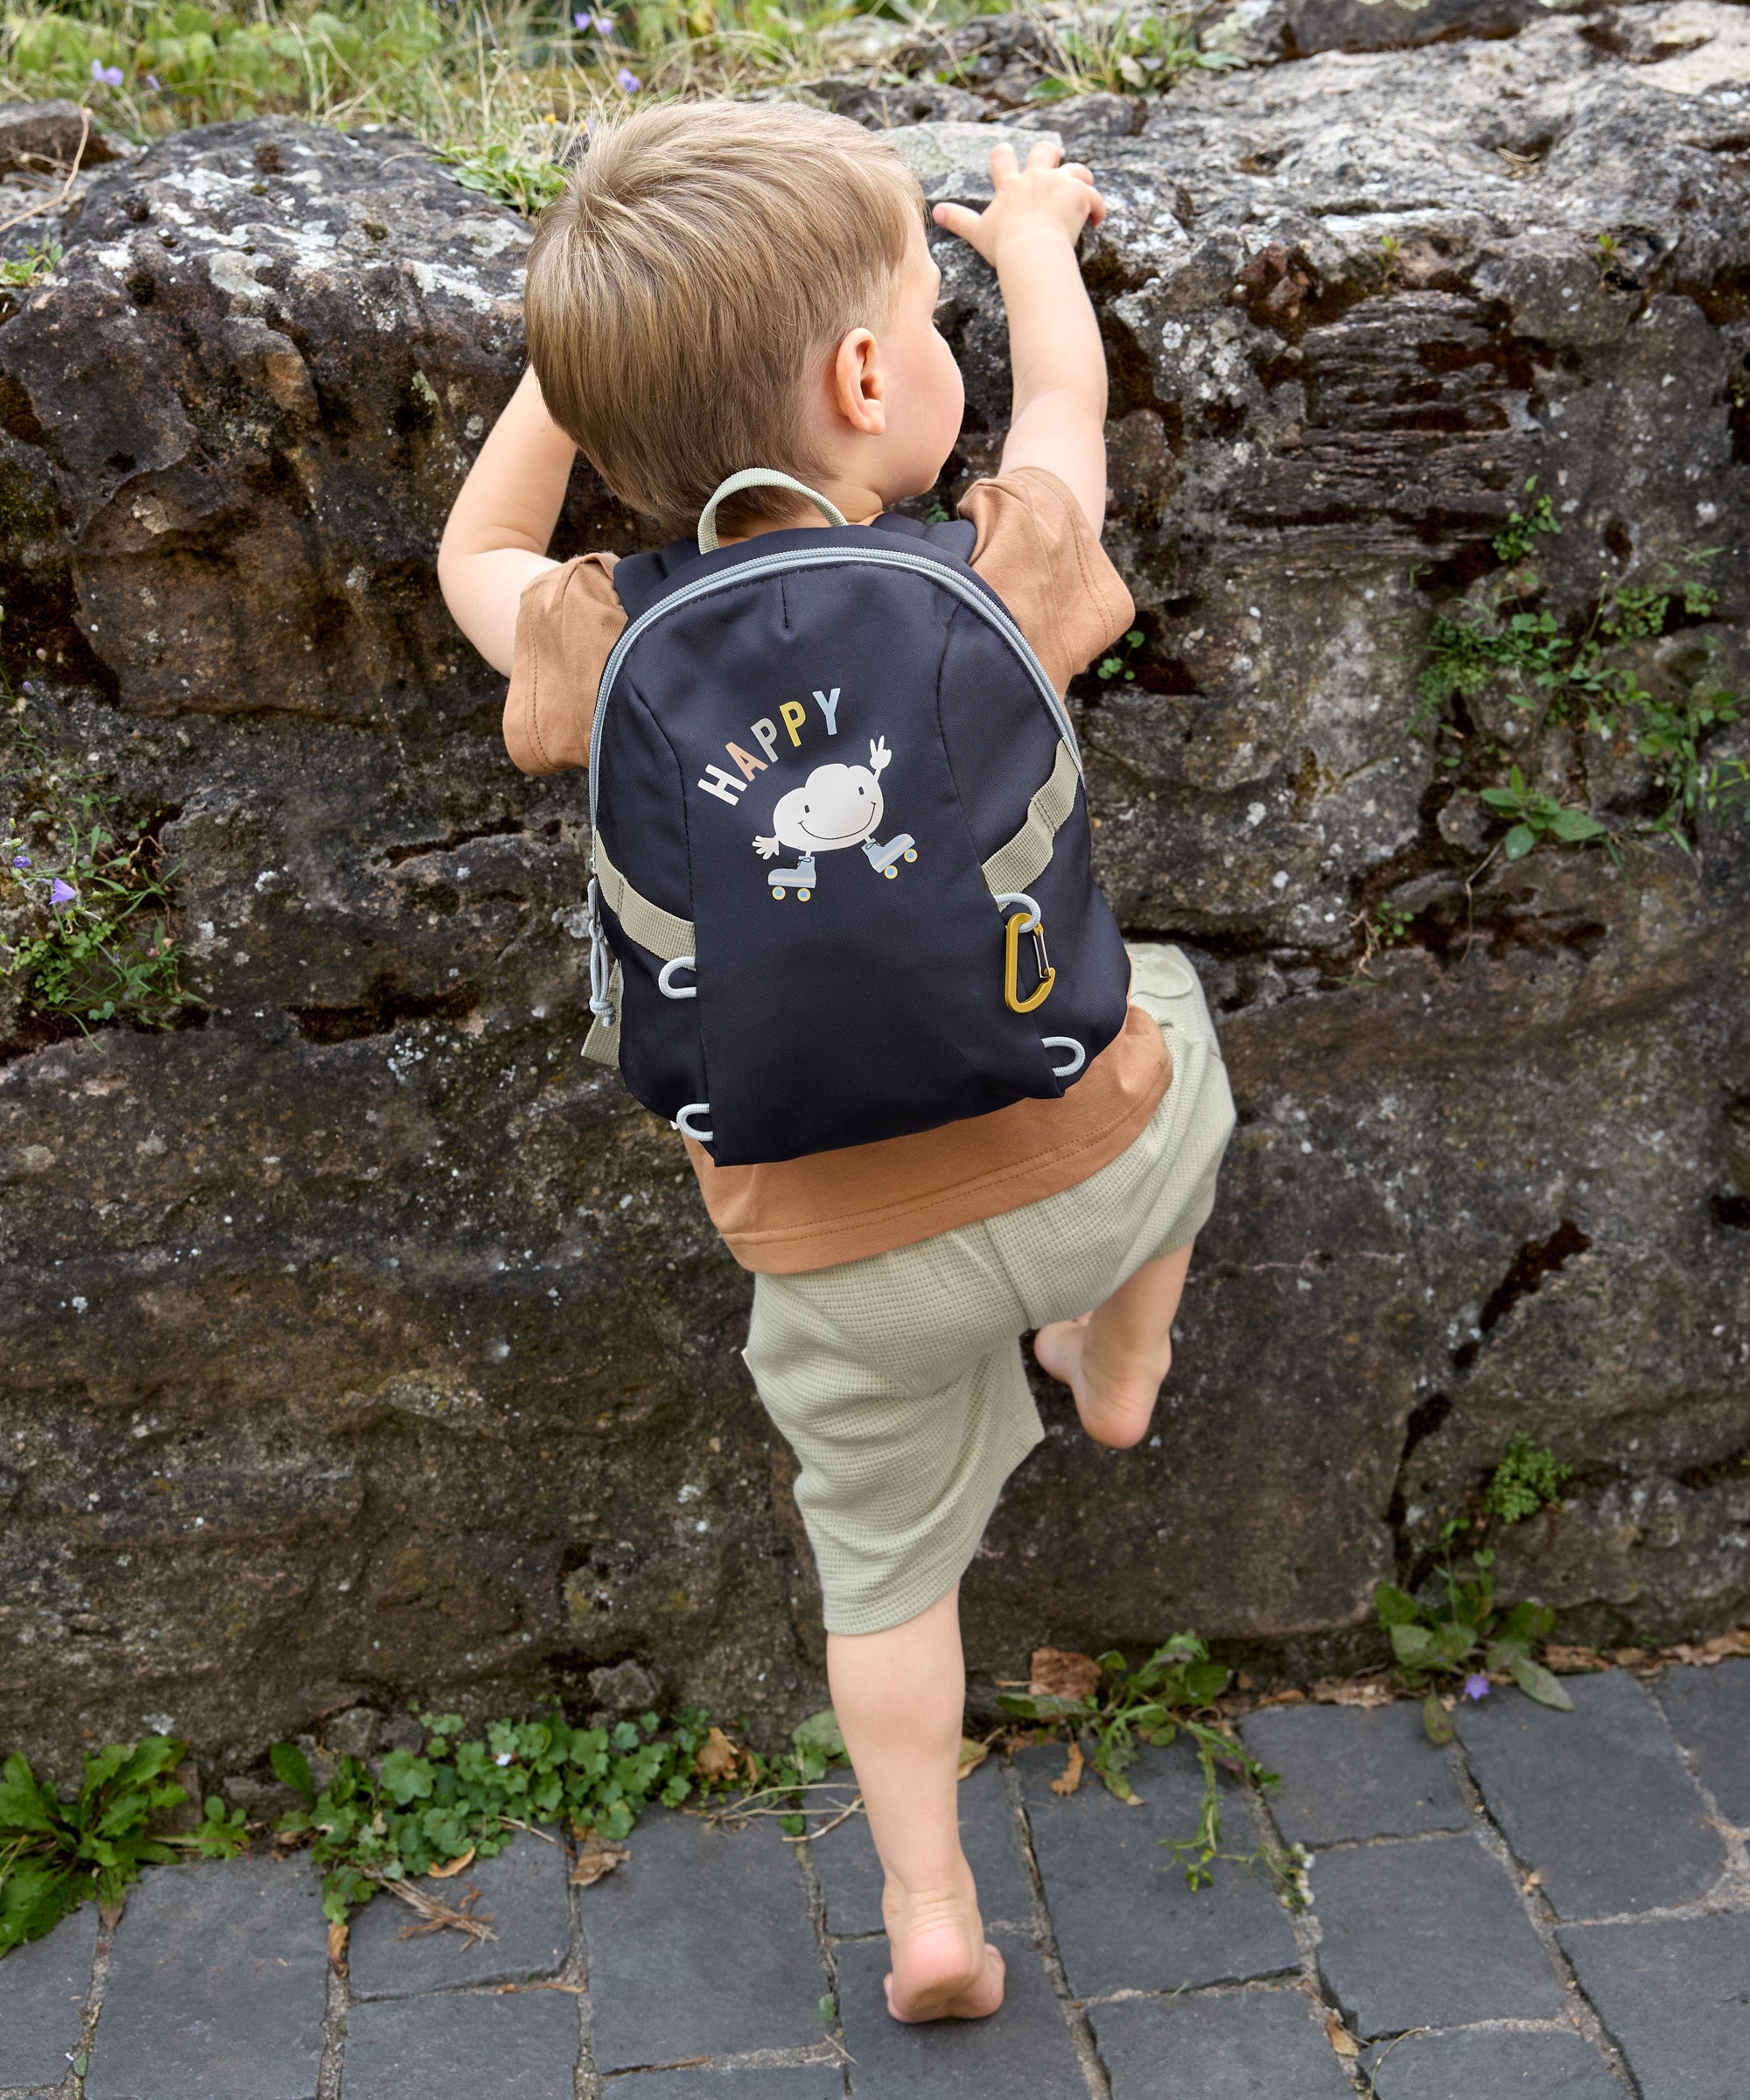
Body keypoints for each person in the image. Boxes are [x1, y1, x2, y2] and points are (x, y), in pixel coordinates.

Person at [438, 100, 1235, 2027]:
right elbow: (1062, 422)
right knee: (1183, 1031)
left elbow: (476, 538)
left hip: (827, 1252)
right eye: (917, 319)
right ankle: (1114, 1365)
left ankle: (930, 1910)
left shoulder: (595, 629)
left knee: (880, 1585)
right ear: (871, 372)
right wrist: (1031, 249)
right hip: (1089, 1154)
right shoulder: (992, 563)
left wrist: (578, 363)